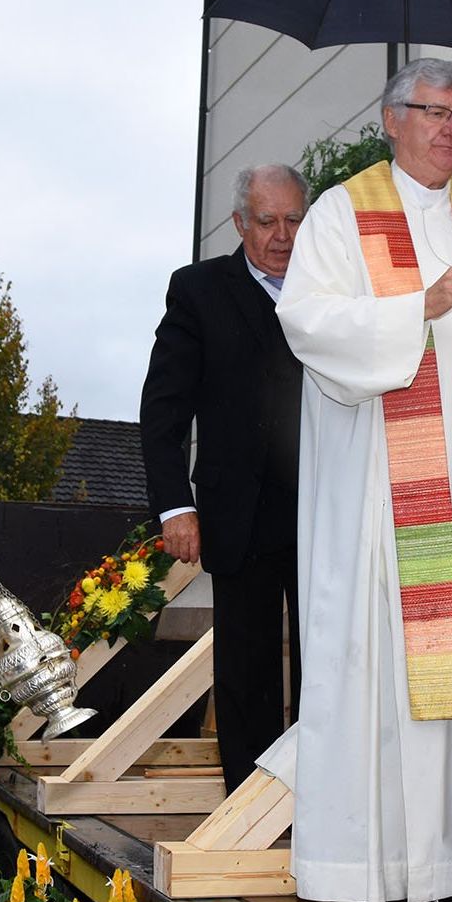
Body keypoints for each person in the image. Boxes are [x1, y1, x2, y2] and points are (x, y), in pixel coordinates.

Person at [273, 57, 452, 902]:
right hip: (378, 494)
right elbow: (306, 322)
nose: (450, 129)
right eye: (433, 112)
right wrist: (422, 305)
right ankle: (357, 875)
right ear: (391, 119)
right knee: (371, 670)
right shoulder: (344, 214)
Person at [140, 164, 309, 792]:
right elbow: (162, 411)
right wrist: (173, 508)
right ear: (240, 223)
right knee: (246, 673)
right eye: (268, 221)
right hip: (235, 517)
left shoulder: (333, 291)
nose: (283, 235)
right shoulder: (198, 290)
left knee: (327, 668)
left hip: (322, 510)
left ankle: (322, 810)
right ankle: (251, 808)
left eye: (294, 220)